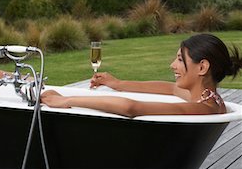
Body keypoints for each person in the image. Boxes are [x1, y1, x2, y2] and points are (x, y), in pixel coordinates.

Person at [41, 33, 242, 117]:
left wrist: (66, 100)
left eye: (180, 60)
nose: (172, 65)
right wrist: (118, 84)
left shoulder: (203, 108)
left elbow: (131, 107)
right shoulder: (209, 99)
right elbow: (170, 88)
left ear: (202, 67)